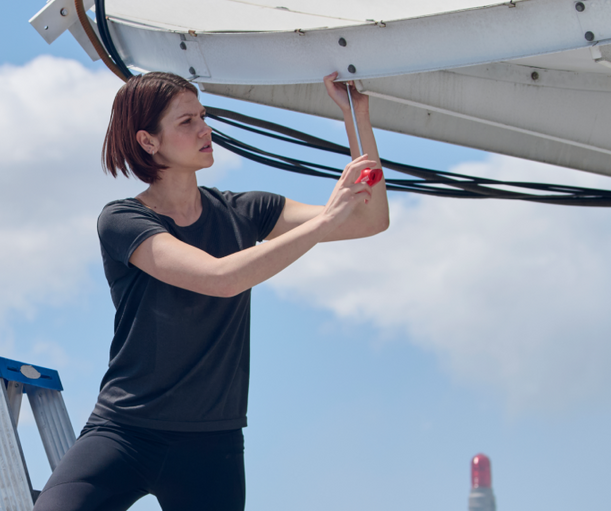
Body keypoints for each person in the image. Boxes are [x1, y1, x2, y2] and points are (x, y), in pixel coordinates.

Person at [33, 71, 389, 511]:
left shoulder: (245, 211)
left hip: (212, 444)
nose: (206, 129)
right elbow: (220, 279)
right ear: (148, 141)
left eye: (203, 116)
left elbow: (368, 221)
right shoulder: (123, 220)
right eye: (187, 122)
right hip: (126, 431)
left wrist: (357, 116)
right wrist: (324, 222)